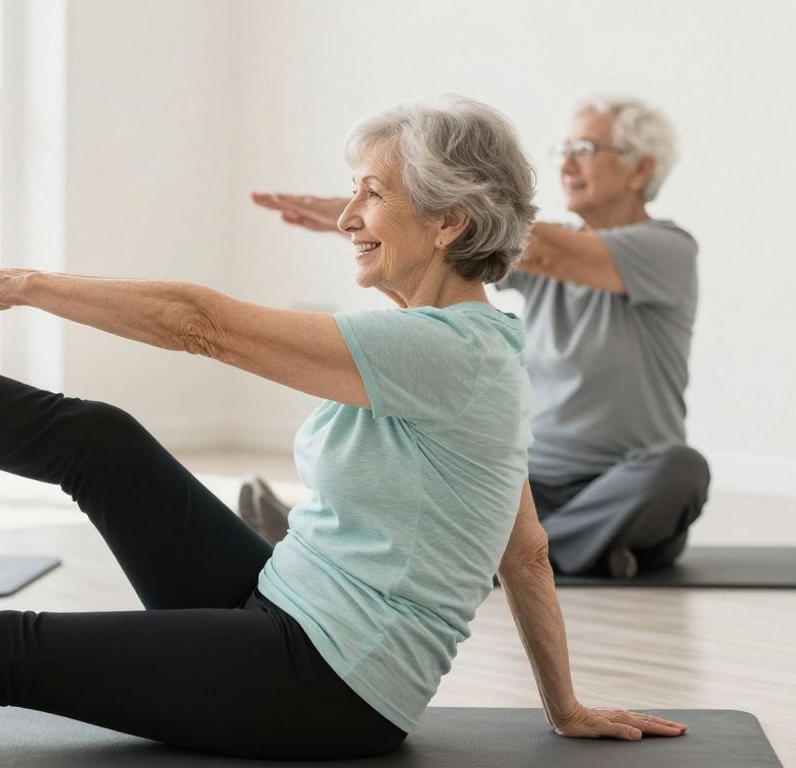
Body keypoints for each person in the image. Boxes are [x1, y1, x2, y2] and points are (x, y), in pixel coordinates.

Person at [0, 96, 686, 760]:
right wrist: (564, 706)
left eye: (372, 195)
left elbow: (197, 323)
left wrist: (28, 286)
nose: (350, 217)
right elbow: (523, 548)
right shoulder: (476, 349)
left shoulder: (440, 352)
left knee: (6, 649)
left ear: (446, 218)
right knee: (99, 439)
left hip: (326, 687)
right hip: (284, 605)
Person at [252, 95, 707, 579]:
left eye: (586, 148)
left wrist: (406, 208)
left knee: (680, 470)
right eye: (564, 148)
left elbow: (544, 250)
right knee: (450, 456)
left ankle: (503, 555)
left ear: (640, 170)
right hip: (538, 480)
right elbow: (478, 248)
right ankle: (581, 550)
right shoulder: (547, 247)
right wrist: (383, 217)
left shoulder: (668, 248)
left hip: (624, 484)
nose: (568, 162)